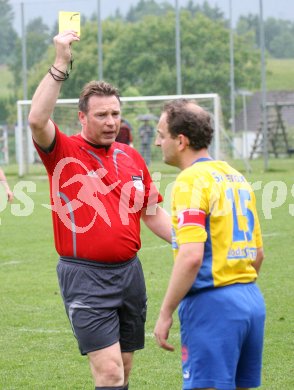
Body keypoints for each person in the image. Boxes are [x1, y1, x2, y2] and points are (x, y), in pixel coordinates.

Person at [28, 30, 171, 390]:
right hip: (85, 277)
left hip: (130, 275)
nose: (111, 121)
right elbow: (36, 120)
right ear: (82, 118)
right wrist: (61, 63)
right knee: (108, 372)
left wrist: (187, 240)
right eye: (102, 115)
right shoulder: (63, 151)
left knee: (123, 365)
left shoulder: (131, 156)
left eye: (116, 114)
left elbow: (151, 211)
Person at [154, 99, 266, 390]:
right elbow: (258, 254)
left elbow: (191, 257)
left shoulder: (190, 181)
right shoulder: (235, 176)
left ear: (180, 141)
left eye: (161, 134)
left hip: (214, 305)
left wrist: (165, 312)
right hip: (250, 300)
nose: (157, 143)